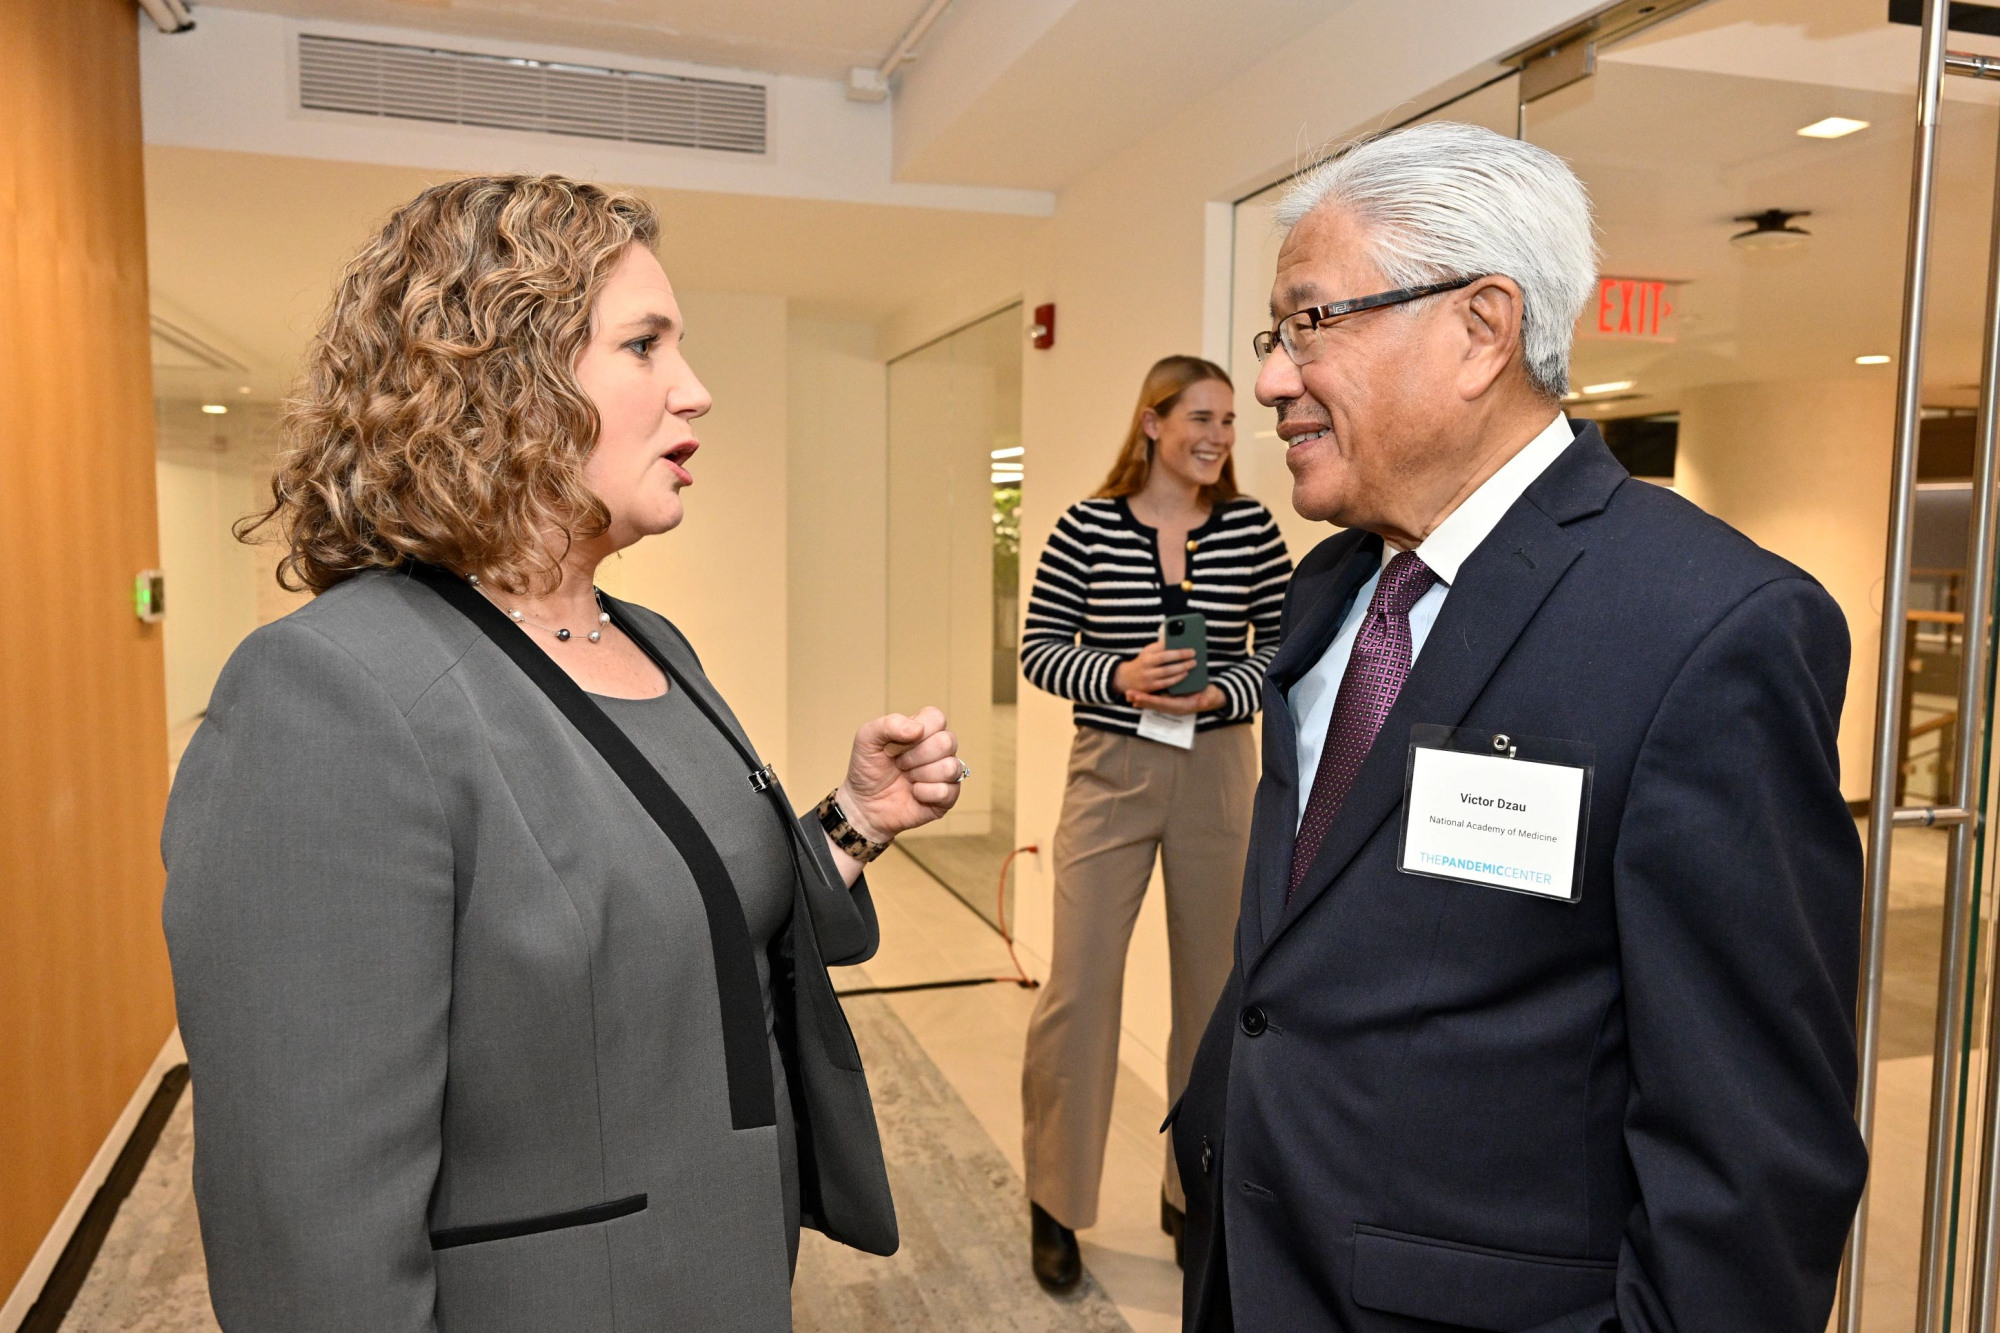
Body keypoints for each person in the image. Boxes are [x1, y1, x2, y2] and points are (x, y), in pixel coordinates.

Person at [162, 175, 967, 1332]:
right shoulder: (332, 691)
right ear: (501, 385)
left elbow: (683, 921)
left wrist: (852, 819)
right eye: (644, 345)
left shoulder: (650, 641)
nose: (696, 389)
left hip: (724, 1266)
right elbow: (303, 1222)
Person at [1170, 122, 1867, 1332]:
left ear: (1479, 328)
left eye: (1307, 324)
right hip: (1255, 1266)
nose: (1271, 379)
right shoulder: (1334, 586)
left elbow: (1752, 1161)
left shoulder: (1709, 628)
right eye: (1270, 338)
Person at [1018, 355, 1291, 1292]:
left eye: (1226, 422)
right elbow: (1041, 651)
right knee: (1080, 988)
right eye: (1201, 418)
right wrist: (1117, 676)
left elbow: (1291, 644)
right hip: (1112, 766)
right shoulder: (1086, 527)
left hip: (1219, 771)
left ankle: (1193, 1188)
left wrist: (1226, 688)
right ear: (1152, 422)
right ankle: (1055, 1200)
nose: (1218, 436)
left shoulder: (1252, 527)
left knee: (1214, 998)